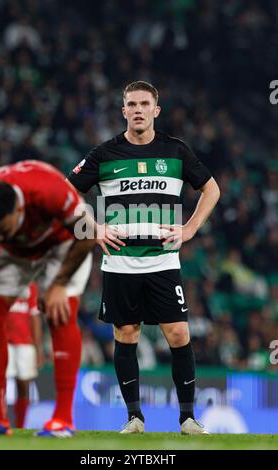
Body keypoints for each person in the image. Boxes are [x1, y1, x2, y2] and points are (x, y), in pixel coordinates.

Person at [68, 81, 220, 435]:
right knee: (126, 333)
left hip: (163, 261)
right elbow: (68, 190)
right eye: (131, 104)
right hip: (120, 262)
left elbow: (211, 188)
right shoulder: (104, 154)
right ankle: (134, 418)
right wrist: (94, 228)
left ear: (156, 110)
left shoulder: (176, 150)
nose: (138, 109)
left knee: (179, 333)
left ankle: (187, 419)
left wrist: (190, 228)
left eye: (144, 104)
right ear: (123, 111)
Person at [0, 160, 94, 436]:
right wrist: (2, 237)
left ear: (19, 208)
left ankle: (63, 420)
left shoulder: (47, 190)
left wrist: (58, 285)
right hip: (16, 251)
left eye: (3, 229)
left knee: (60, 311)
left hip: (64, 241)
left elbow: (88, 234)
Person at [6, 282, 43, 428]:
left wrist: (38, 348)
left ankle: (20, 426)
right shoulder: (1, 280)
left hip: (25, 342)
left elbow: (35, 317)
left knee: (24, 385)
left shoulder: (31, 286)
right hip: (3, 340)